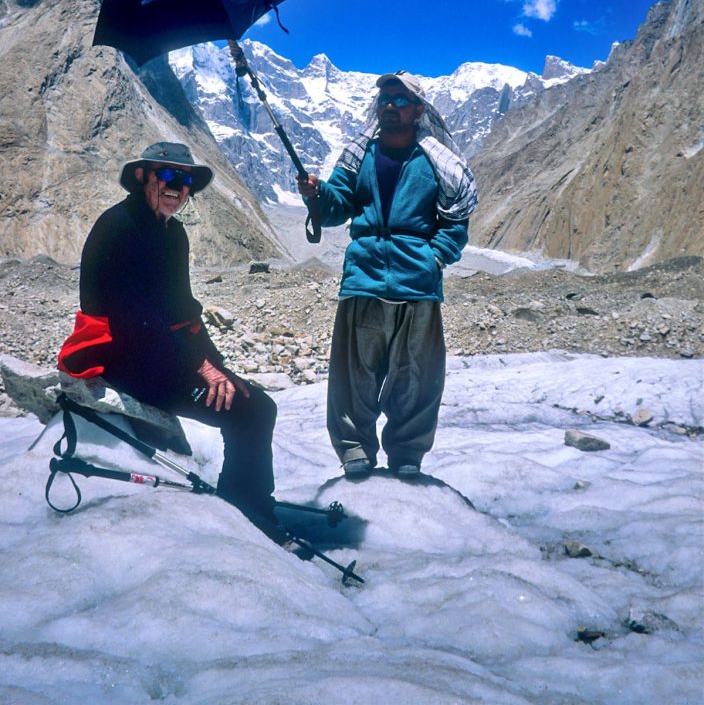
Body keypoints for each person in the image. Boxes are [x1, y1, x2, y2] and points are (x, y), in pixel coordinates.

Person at [58, 141, 280, 537]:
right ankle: (249, 516)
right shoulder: (118, 227)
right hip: (123, 359)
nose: (180, 187)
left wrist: (218, 368)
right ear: (143, 176)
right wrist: (200, 366)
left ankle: (246, 502)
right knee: (252, 412)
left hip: (157, 355)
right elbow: (132, 317)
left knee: (251, 402)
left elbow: (182, 312)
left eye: (187, 179)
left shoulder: (172, 233)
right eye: (170, 176)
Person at [298, 71, 478, 480]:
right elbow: (336, 207)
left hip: (418, 282)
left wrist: (434, 258)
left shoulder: (435, 160)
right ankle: (353, 449)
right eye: (385, 101)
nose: (390, 107)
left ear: (419, 110)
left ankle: (407, 452)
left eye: (400, 101)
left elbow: (456, 220)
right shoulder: (359, 155)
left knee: (416, 373)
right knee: (353, 373)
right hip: (363, 277)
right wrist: (317, 193)